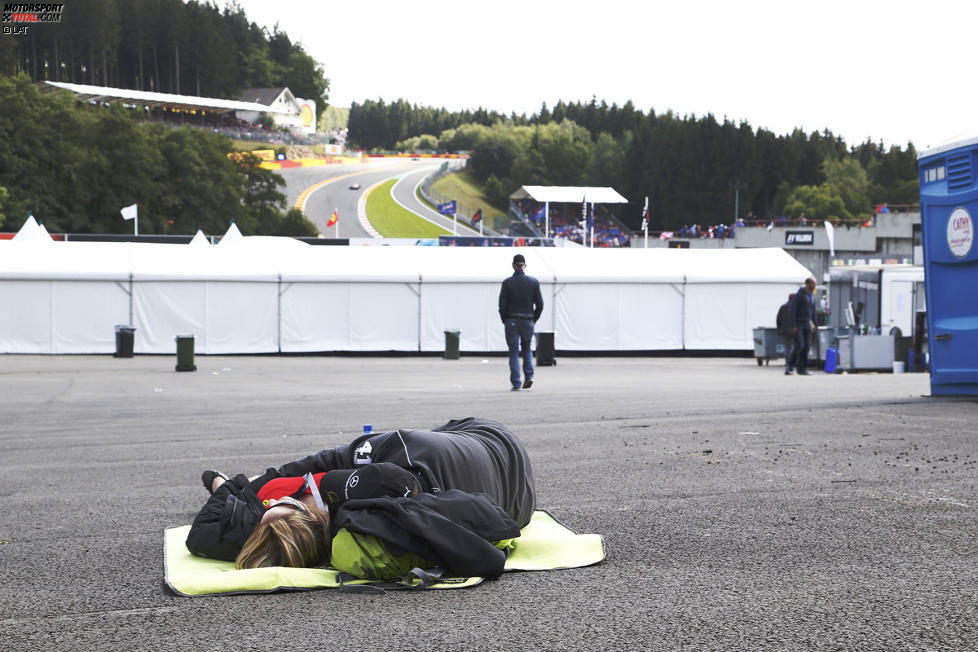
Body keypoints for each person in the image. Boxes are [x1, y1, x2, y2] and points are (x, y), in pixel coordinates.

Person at [186, 417, 536, 576]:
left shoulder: (331, 538)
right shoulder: (375, 472)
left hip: (519, 503)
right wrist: (258, 482)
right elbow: (328, 462)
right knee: (430, 435)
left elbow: (199, 536)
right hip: (494, 440)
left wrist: (228, 487)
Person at [498, 254, 544, 391]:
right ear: (524, 265)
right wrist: (534, 318)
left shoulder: (507, 283)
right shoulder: (533, 282)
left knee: (513, 352)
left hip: (512, 319)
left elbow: (502, 305)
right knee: (527, 348)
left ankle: (516, 382)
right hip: (528, 319)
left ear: (513, 265)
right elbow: (540, 304)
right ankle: (529, 376)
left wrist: (504, 319)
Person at [786, 276, 819, 375]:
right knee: (800, 345)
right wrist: (793, 325)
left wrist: (816, 325)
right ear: (808, 284)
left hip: (807, 324)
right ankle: (790, 366)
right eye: (813, 284)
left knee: (807, 347)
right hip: (799, 324)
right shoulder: (800, 295)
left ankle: (802, 368)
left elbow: (813, 311)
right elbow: (793, 310)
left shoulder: (812, 296)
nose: (814, 286)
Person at [776, 293, 794, 371]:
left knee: (787, 347)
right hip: (795, 330)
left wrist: (779, 328)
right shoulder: (796, 307)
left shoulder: (783, 307)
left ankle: (788, 363)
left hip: (785, 330)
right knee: (797, 347)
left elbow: (778, 319)